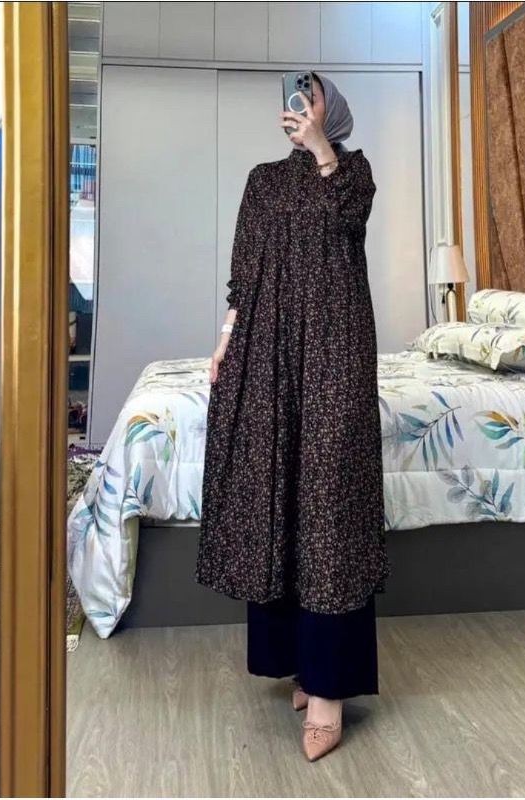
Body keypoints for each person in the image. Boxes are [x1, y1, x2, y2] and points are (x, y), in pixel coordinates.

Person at [197, 72, 389, 762]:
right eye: (295, 97)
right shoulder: (262, 181)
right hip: (270, 348)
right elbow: (243, 273)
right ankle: (301, 667)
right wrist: (226, 342)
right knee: (278, 496)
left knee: (331, 510)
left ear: (329, 109)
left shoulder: (353, 173)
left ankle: (331, 689)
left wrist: (322, 150)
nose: (301, 107)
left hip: (336, 349)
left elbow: (346, 219)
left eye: (313, 97)